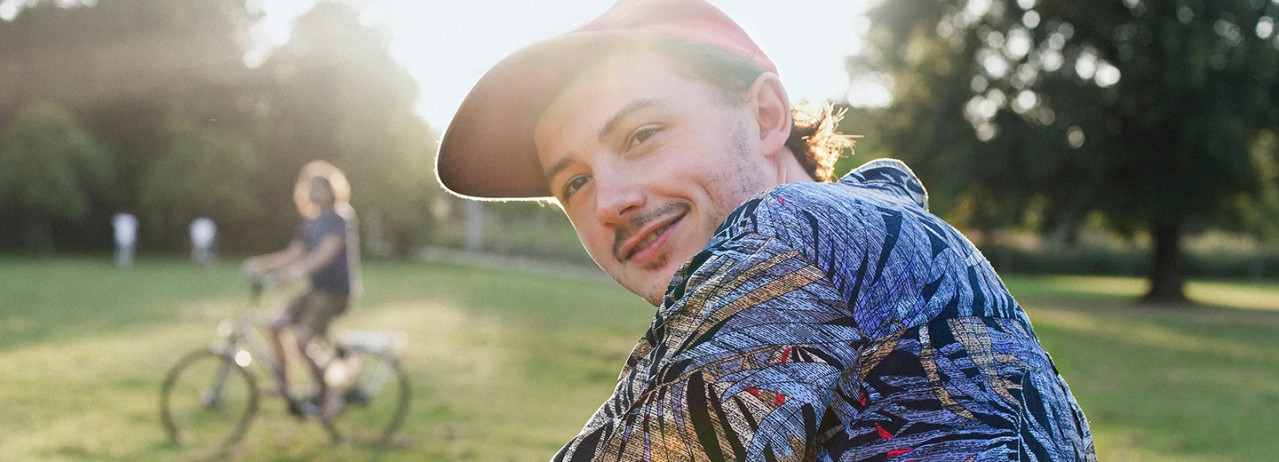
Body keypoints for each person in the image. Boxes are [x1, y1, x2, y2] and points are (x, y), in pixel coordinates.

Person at [436, 0, 1095, 460]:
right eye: (573, 182)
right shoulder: (877, 251)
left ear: (766, 115)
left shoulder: (787, 235)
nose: (608, 201)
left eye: (641, 135)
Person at [242, 160, 360, 423]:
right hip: (315, 290)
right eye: (310, 187)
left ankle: (330, 394)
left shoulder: (339, 217)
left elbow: (325, 254)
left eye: (320, 186)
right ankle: (286, 385)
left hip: (335, 292)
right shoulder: (310, 223)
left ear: (331, 190)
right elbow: (293, 253)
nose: (314, 192)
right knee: (274, 325)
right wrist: (260, 263)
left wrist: (296, 272)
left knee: (303, 340)